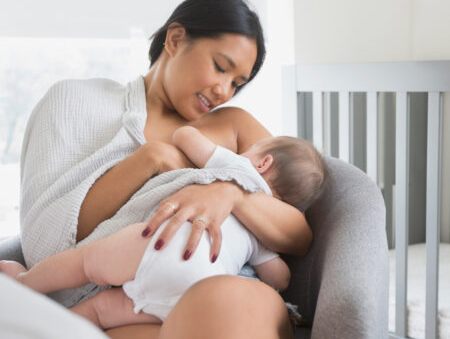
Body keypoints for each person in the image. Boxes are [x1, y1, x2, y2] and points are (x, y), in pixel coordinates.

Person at [11, 0, 315, 339]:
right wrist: (151, 158)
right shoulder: (76, 103)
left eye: (237, 84)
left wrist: (231, 194)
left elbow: (299, 235)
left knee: (222, 304)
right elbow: (46, 245)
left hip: (229, 289)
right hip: (130, 305)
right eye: (220, 67)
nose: (224, 92)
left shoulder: (235, 126)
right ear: (175, 39)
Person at [0, 125, 327, 330]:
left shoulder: (237, 168)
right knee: (100, 315)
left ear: (263, 162)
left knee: (85, 262)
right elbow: (280, 277)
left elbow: (183, 136)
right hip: (195, 287)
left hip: (158, 245)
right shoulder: (262, 232)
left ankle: (26, 283)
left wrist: (212, 157)